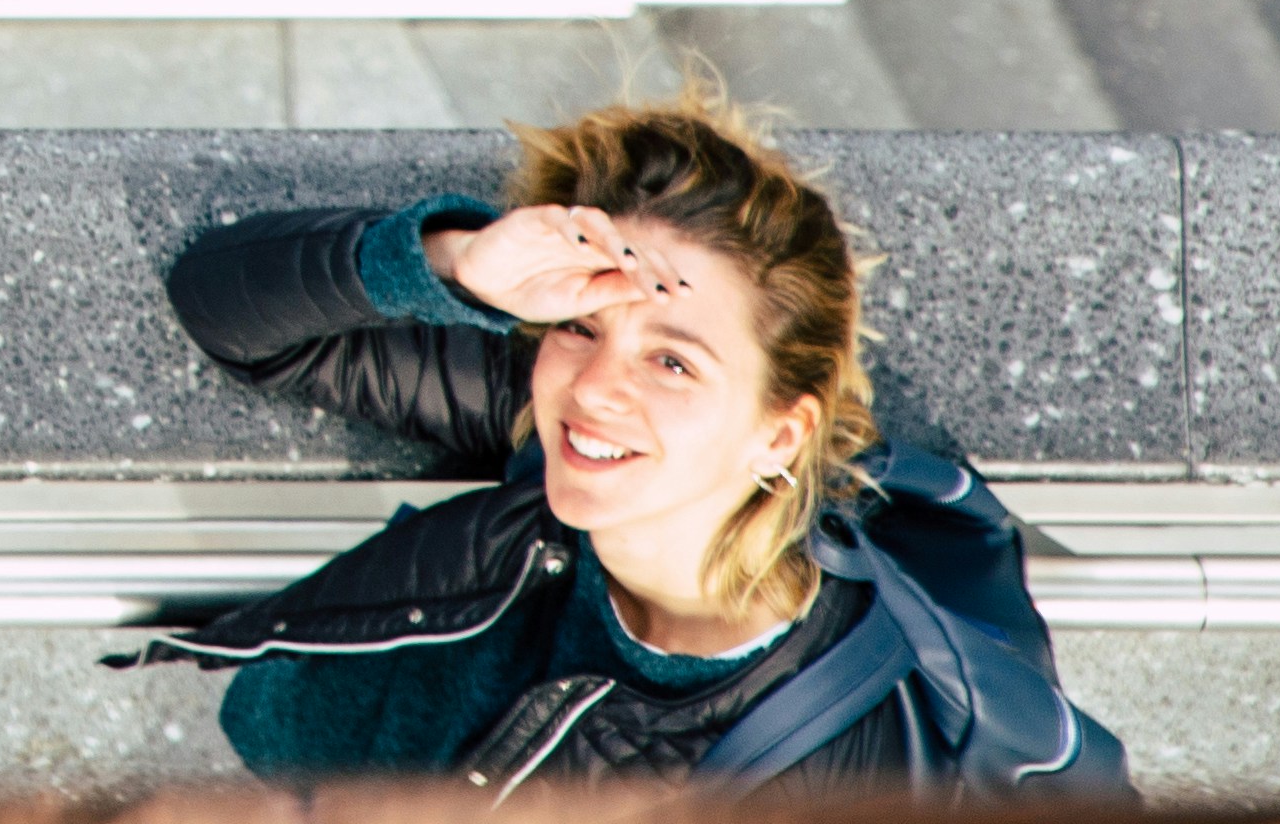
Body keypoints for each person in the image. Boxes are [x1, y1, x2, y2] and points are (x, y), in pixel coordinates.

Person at [131, 77, 1124, 793]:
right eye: (583, 326)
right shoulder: (558, 416)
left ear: (781, 436)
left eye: (675, 361)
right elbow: (222, 305)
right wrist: (459, 260)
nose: (597, 386)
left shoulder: (845, 767)